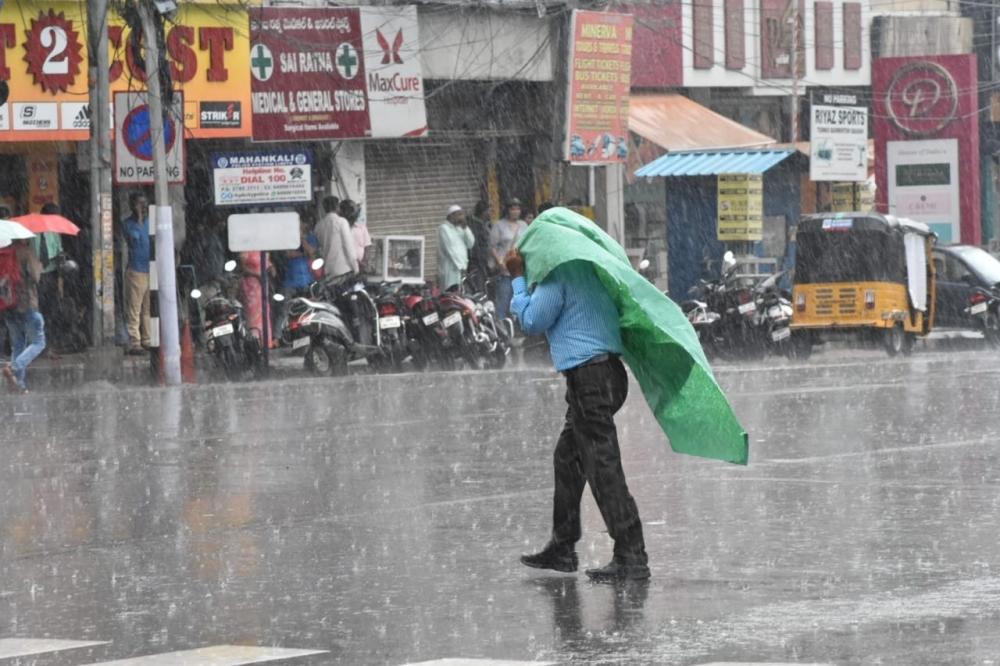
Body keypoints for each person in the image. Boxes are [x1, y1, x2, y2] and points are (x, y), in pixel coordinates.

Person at [507, 247, 650, 581]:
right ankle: (562, 546)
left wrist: (516, 279)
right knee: (568, 459)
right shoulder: (592, 271)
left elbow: (531, 321)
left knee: (602, 467)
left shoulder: (558, 276)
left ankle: (632, 556)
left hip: (589, 378)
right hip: (608, 374)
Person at [2, 240, 45, 393]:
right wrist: (39, 267)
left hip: (7, 304)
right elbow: (36, 277)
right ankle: (13, 368)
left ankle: (19, 385)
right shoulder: (26, 251)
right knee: (39, 342)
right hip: (26, 302)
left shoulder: (3, 254)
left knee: (18, 344)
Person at [121, 192, 152, 355]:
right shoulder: (127, 224)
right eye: (140, 204)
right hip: (136, 270)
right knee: (134, 308)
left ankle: (146, 339)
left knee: (147, 308)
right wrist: (139, 218)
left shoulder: (150, 222)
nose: (143, 207)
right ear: (133, 205)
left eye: (145, 204)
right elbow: (133, 240)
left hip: (149, 269)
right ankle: (135, 341)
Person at [489, 198, 528, 322]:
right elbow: (492, 247)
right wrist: (499, 261)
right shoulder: (499, 225)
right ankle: (501, 328)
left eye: (518, 209)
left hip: (520, 269)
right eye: (513, 209)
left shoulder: (523, 225)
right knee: (503, 300)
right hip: (505, 270)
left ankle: (521, 327)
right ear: (507, 210)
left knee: (521, 300)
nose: (516, 211)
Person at [314, 195, 357, 277]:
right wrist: (355, 267)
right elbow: (348, 247)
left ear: (324, 208)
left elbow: (319, 248)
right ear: (337, 207)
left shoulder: (318, 226)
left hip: (328, 269)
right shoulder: (341, 222)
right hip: (343, 269)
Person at [239, 250, 273, 350]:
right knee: (252, 313)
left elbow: (267, 263)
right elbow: (243, 267)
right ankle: (254, 341)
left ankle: (265, 341)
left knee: (264, 311)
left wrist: (271, 268)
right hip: (251, 284)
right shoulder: (245, 250)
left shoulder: (263, 248)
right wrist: (256, 274)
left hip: (263, 284)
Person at [436, 205, 474, 291]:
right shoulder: (444, 229)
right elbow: (451, 250)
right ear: (451, 216)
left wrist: (465, 228)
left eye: (462, 214)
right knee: (452, 295)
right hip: (451, 270)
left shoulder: (460, 228)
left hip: (461, 270)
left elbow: (470, 244)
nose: (462, 217)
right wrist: (461, 267)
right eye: (459, 214)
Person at [467, 200, 493, 295]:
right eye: (489, 211)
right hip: (477, 264)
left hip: (482, 263)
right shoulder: (474, 226)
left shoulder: (484, 224)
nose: (491, 213)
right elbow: (475, 246)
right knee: (479, 289)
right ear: (483, 212)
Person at [342, 200, 371, 274]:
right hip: (346, 269)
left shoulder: (362, 228)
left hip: (361, 268)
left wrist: (364, 262)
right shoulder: (341, 229)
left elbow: (367, 247)